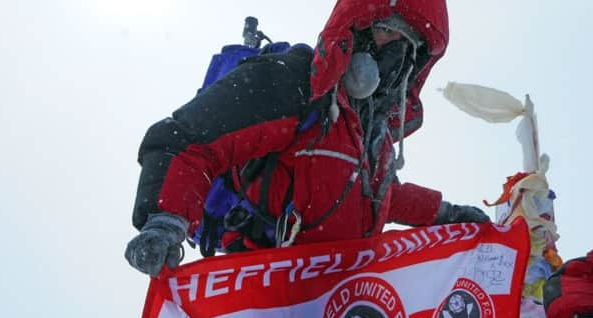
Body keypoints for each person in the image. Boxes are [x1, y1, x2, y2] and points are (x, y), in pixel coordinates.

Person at [125, 0, 490, 278]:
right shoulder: (296, 84)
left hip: (338, 306)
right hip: (262, 297)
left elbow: (387, 197)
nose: (394, 53)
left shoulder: (372, 138)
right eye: (387, 30)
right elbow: (190, 139)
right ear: (358, 31)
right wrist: (165, 221)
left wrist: (446, 214)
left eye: (408, 44)